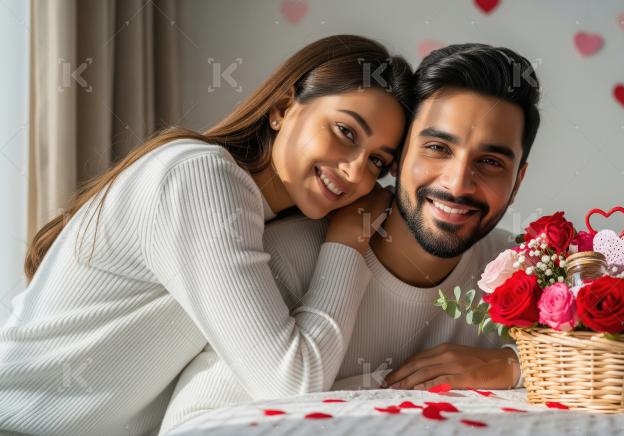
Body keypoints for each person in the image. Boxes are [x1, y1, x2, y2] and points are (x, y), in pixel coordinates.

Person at [0, 35, 414, 436]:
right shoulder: (201, 177)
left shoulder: (265, 216)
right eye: (345, 132)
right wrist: (346, 244)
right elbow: (292, 387)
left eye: (378, 161)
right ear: (284, 108)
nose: (357, 172)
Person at [160, 42, 541, 434]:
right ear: (399, 156)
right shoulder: (282, 259)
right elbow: (195, 421)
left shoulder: (523, 272)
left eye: (491, 162)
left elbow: (604, 356)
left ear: (517, 182)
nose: (458, 183)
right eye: (437, 148)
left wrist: (512, 363)